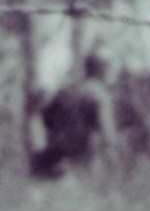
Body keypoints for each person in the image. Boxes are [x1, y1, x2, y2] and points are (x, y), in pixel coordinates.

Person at [31, 51, 122, 180]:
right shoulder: (100, 95)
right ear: (101, 71)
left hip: (56, 155)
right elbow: (108, 134)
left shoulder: (68, 90)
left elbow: (41, 118)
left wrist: (40, 150)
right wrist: (115, 163)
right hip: (84, 159)